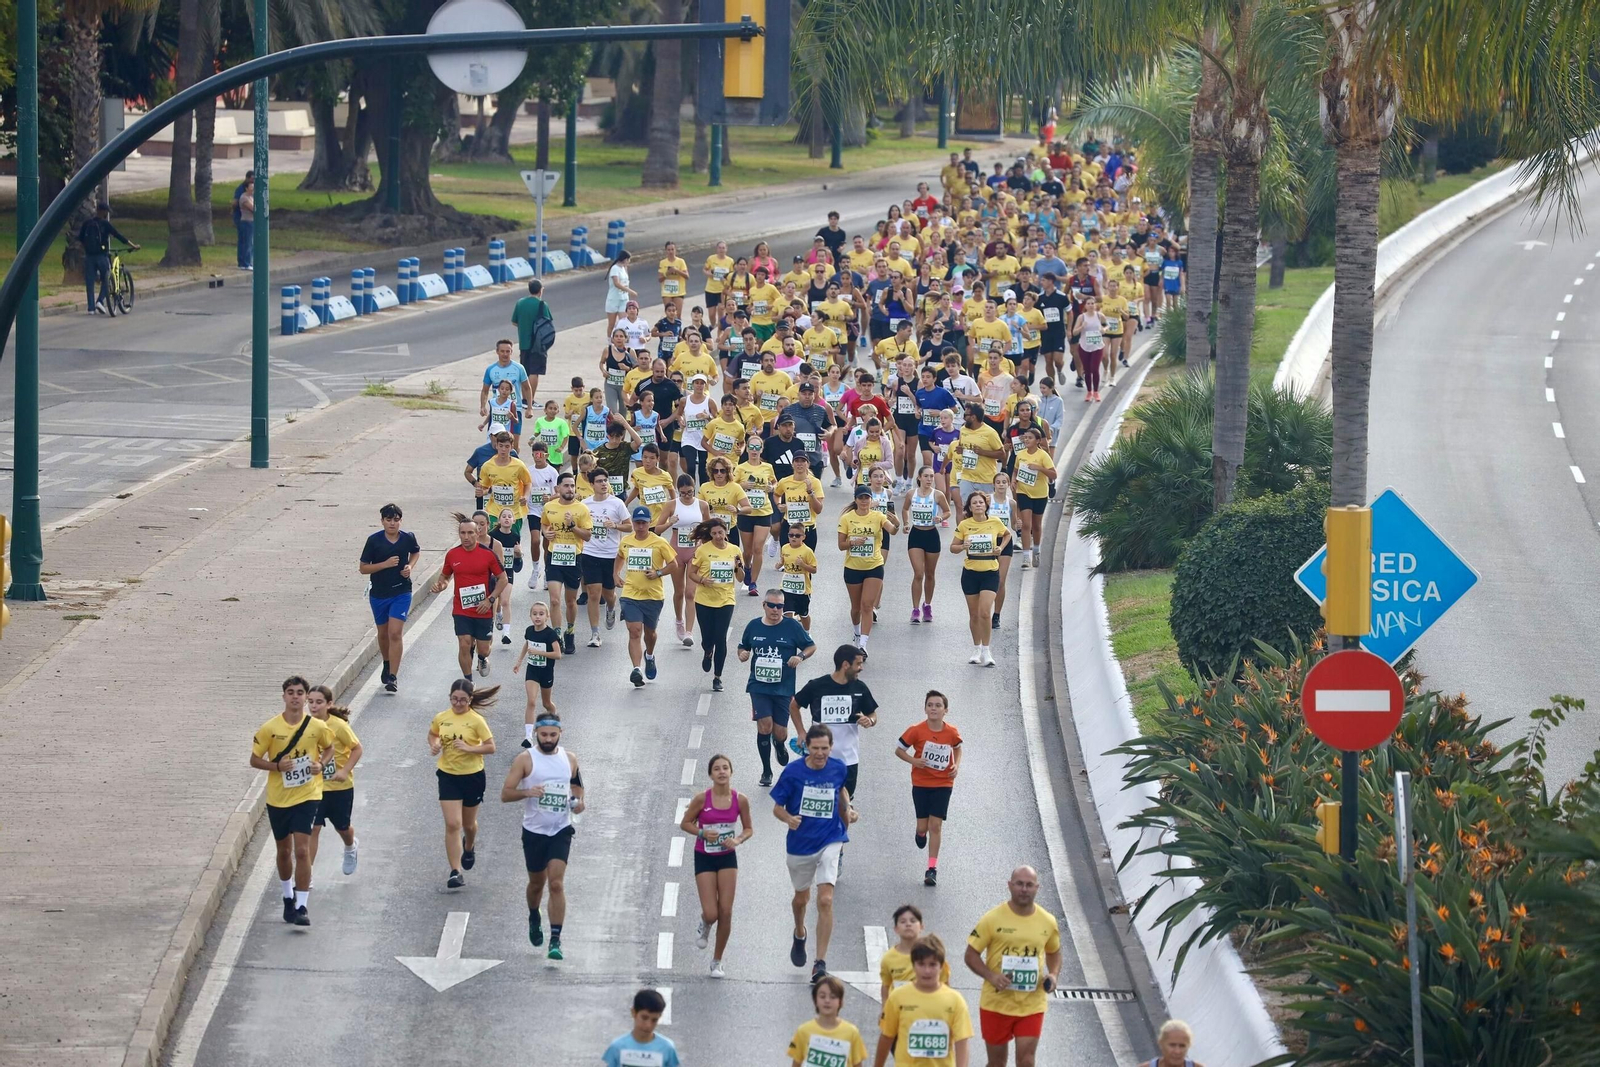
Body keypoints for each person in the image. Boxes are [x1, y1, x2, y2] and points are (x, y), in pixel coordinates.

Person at [771, 724, 857, 984]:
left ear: (831, 748)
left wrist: (849, 810)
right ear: (807, 747)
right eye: (815, 748)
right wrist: (788, 818)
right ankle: (799, 932)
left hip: (831, 838)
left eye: (825, 748)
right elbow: (777, 807)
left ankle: (820, 963)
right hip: (800, 844)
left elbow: (841, 790)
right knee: (801, 899)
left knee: (826, 900)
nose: (820, 753)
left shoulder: (838, 768)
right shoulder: (793, 772)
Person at [249, 675, 334, 927]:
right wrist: (276, 766)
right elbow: (254, 759)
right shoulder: (270, 728)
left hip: (308, 794)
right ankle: (288, 896)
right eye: (291, 692)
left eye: (300, 693)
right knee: (284, 851)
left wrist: (321, 764)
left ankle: (302, 905)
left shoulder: (316, 727)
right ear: (284, 696)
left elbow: (329, 748)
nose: (295, 697)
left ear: (306, 698)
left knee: (302, 850)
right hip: (278, 798)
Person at [500, 712, 583, 958]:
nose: (548, 739)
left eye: (553, 735)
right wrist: (528, 793)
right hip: (534, 831)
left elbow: (577, 787)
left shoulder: (570, 759)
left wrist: (578, 802)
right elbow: (505, 794)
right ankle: (534, 915)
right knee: (537, 884)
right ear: (536, 732)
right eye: (544, 735)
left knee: (556, 883)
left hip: (560, 829)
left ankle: (555, 940)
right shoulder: (525, 760)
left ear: (560, 734)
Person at [964, 866, 1062, 1067]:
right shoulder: (992, 919)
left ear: (1037, 888)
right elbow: (970, 955)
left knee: (1026, 1061)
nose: (1024, 889)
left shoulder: (1047, 921)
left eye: (1029, 885)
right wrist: (991, 976)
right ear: (1010, 886)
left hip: (1031, 1004)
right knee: (997, 1063)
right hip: (996, 1004)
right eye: (1019, 884)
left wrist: (1053, 974)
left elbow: (1054, 952)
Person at [678, 753, 753, 978]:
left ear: (731, 772)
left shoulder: (740, 800)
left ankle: (717, 961)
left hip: (727, 856)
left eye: (725, 768)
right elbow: (685, 823)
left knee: (726, 911)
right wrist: (702, 832)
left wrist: (738, 839)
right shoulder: (702, 799)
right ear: (711, 775)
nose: (721, 772)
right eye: (717, 769)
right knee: (712, 912)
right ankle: (705, 922)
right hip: (705, 855)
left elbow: (749, 828)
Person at [737, 587, 816, 786]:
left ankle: (779, 745)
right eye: (771, 605)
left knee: (780, 732)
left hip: (783, 687)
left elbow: (811, 646)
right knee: (765, 725)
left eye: (780, 606)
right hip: (759, 686)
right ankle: (766, 771)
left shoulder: (792, 627)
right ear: (764, 605)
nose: (775, 610)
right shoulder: (754, 626)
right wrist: (742, 654)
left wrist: (800, 656)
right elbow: (743, 646)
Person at [428, 680, 497, 890]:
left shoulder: (476, 721)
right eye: (454, 699)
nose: (458, 704)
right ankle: (455, 871)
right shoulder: (442, 717)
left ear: (470, 700)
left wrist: (469, 748)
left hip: (473, 776)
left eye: (463, 700)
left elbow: (490, 747)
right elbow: (433, 734)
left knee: (468, 824)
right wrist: (435, 744)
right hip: (448, 775)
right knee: (452, 824)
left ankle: (469, 845)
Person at [790, 644, 878, 802]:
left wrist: (870, 720)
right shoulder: (817, 686)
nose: (861, 668)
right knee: (820, 803)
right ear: (845, 665)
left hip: (848, 760)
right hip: (819, 758)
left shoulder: (860, 688)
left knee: (845, 805)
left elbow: (872, 714)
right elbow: (794, 705)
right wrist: (801, 732)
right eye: (858, 663)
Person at [874, 935, 973, 1067]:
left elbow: (962, 1041)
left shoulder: (955, 1001)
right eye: (921, 964)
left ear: (942, 967)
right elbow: (887, 1036)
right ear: (913, 965)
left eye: (932, 965)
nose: (927, 971)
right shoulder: (897, 997)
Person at [895, 690, 961, 886]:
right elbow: (899, 750)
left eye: (938, 705)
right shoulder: (916, 730)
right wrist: (914, 760)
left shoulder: (951, 732)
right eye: (930, 705)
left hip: (943, 783)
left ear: (945, 710)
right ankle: (920, 832)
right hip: (921, 784)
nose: (934, 708)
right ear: (925, 708)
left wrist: (956, 765)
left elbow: (958, 748)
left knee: (936, 826)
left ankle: (931, 869)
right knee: (924, 826)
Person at [433, 512, 508, 679]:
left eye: (470, 533)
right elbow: (445, 576)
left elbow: (503, 579)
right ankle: (468, 680)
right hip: (462, 609)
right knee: (464, 643)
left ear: (478, 533)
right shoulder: (452, 554)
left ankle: (482, 657)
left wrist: (490, 600)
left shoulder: (487, 554)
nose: (466, 537)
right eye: (463, 533)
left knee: (484, 649)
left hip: (483, 608)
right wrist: (441, 585)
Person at [359, 503, 420, 693]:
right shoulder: (374, 541)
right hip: (378, 593)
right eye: (388, 520)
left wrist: (410, 566)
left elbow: (416, 552)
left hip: (401, 591)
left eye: (396, 520)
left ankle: (393, 676)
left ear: (400, 521)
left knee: (395, 632)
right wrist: (384, 564)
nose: (392, 524)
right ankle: (386, 662)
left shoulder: (407, 538)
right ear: (382, 521)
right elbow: (363, 568)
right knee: (384, 633)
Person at [305, 685, 360, 875]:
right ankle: (306, 875)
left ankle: (351, 846)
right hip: (314, 788)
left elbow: (357, 749)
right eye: (310, 702)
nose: (314, 706)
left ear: (329, 704)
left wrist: (344, 770)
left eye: (319, 702)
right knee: (313, 828)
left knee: (342, 828)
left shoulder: (338, 725)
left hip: (339, 787)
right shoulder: (305, 725)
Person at [617, 505, 674, 687]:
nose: (640, 526)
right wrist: (615, 574)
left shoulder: (659, 542)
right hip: (630, 594)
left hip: (653, 596)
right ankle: (636, 669)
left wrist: (658, 573)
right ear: (633, 523)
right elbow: (619, 556)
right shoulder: (626, 541)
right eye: (637, 522)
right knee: (634, 631)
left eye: (644, 523)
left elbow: (674, 565)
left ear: (650, 523)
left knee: (650, 634)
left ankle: (649, 655)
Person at [685, 517, 745, 692]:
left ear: (726, 531)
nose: (718, 536)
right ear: (710, 535)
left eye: (720, 532)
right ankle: (707, 651)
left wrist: (738, 567)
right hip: (704, 600)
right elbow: (692, 574)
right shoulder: (703, 550)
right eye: (714, 533)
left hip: (726, 599)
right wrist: (703, 580)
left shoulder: (734, 550)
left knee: (721, 638)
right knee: (707, 638)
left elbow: (741, 578)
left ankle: (717, 677)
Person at [951, 492, 1010, 665]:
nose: (978, 505)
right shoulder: (964, 525)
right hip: (970, 573)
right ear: (969, 507)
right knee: (974, 614)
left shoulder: (995, 522)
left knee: (985, 612)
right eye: (974, 503)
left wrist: (1000, 547)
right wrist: (962, 546)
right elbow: (952, 548)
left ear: (986, 506)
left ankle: (987, 650)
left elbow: (1007, 534)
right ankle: (976, 648)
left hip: (990, 572)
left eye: (981, 502)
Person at [838, 485, 899, 650]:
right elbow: (841, 545)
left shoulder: (878, 516)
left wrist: (897, 524)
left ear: (871, 499)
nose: (864, 501)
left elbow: (892, 531)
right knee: (856, 608)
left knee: (867, 605)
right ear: (856, 499)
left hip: (874, 566)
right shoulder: (846, 518)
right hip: (853, 567)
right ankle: (857, 633)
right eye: (861, 498)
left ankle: (863, 645)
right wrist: (853, 542)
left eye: (867, 498)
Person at [541, 472, 593, 655]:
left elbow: (587, 535)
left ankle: (569, 631)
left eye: (572, 486)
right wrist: (545, 533)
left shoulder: (582, 509)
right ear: (558, 488)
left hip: (574, 558)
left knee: (570, 601)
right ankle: (557, 636)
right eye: (566, 486)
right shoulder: (549, 506)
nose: (570, 489)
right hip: (554, 557)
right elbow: (544, 524)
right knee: (554, 600)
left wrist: (572, 526)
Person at [578, 472, 629, 648]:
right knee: (593, 593)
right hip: (590, 553)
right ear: (592, 484)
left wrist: (615, 525)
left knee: (609, 594)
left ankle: (610, 608)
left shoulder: (617, 503)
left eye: (605, 480)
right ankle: (595, 633)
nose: (603, 484)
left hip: (611, 555)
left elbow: (629, 526)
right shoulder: (585, 504)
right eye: (599, 481)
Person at [902, 465, 952, 623]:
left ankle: (927, 605)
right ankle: (915, 609)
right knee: (918, 573)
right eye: (926, 476)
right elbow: (905, 509)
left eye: (931, 476)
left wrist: (941, 518)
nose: (930, 479)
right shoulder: (912, 493)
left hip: (931, 535)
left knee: (930, 573)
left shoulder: (937, 495)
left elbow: (947, 511)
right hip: (916, 534)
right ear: (919, 477)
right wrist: (906, 523)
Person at [512, 600, 563, 747]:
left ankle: (554, 721)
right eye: (534, 614)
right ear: (530, 616)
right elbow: (527, 644)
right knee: (532, 701)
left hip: (546, 672)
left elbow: (558, 654)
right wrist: (519, 661)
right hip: (532, 670)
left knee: (547, 703)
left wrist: (540, 652)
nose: (537, 617)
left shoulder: (550, 634)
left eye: (541, 614)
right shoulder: (529, 631)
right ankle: (528, 736)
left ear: (547, 616)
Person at [789, 975, 870, 1067]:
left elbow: (857, 1064)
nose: (827, 1000)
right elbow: (796, 1063)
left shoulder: (852, 1033)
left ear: (841, 1001)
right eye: (822, 996)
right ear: (815, 1000)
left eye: (833, 997)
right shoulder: (803, 1031)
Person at [878, 904, 950, 1001]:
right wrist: (884, 1010)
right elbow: (886, 985)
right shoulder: (888, 958)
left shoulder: (933, 953)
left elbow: (945, 983)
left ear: (921, 926)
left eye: (913, 921)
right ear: (896, 929)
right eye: (903, 922)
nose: (908, 924)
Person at [78, 202, 138, 314]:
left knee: (89, 282)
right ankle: (100, 301)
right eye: (106, 211)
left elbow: (80, 238)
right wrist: (133, 246)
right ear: (102, 211)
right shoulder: (105, 224)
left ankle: (91, 308)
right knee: (108, 279)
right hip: (102, 255)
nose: (107, 214)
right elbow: (118, 235)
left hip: (89, 256)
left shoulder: (87, 223)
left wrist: (87, 249)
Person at [1010, 427, 1055, 569]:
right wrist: (1013, 479)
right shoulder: (1021, 454)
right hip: (1024, 492)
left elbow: (1054, 475)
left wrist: (1039, 468)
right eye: (1025, 437)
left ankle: (1036, 550)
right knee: (1025, 524)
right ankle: (1025, 557)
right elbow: (1016, 469)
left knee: (1036, 525)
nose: (1027, 440)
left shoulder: (1043, 455)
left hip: (1040, 493)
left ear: (1037, 440)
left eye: (1030, 438)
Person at [602, 989, 679, 1067]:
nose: (648, 1025)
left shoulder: (667, 1048)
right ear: (633, 1012)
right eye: (644, 1018)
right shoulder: (617, 1047)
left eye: (654, 1020)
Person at [955, 403, 1007, 508]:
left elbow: (1002, 454)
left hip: (985, 479)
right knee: (967, 508)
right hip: (966, 477)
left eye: (966, 415)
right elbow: (962, 446)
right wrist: (960, 450)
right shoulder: (963, 430)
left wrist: (983, 452)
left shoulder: (990, 433)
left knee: (985, 510)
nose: (964, 418)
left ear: (973, 417)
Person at [480, 339, 533, 442]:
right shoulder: (491, 369)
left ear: (511, 352)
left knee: (514, 444)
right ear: (497, 352)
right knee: (496, 443)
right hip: (497, 411)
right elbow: (485, 390)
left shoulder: (519, 368)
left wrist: (529, 407)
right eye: (502, 351)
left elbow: (527, 388)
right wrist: (482, 406)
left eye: (508, 351)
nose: (505, 354)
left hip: (515, 410)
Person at [511, 279, 553, 401]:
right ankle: (530, 399)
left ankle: (523, 398)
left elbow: (514, 321)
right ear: (541, 290)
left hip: (524, 343)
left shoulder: (520, 303)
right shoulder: (542, 304)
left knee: (525, 371)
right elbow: (547, 322)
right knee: (535, 371)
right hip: (538, 344)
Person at [605, 250, 635, 335]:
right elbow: (616, 283)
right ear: (625, 259)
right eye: (628, 259)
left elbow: (626, 282)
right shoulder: (615, 268)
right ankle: (610, 341)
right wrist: (629, 291)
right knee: (612, 324)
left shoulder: (624, 268)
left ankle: (622, 341)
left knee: (623, 323)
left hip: (624, 299)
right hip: (614, 299)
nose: (629, 262)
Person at [233, 177, 255, 270]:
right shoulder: (244, 198)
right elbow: (253, 209)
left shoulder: (251, 197)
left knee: (249, 242)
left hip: (251, 221)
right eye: (251, 187)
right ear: (246, 188)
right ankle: (245, 263)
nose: (253, 189)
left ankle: (246, 262)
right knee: (246, 243)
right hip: (246, 221)